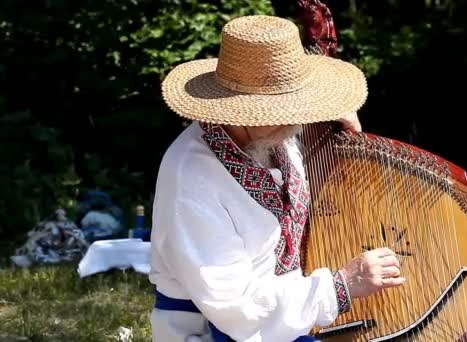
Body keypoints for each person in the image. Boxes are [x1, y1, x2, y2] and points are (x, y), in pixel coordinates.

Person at [149, 14, 405, 342]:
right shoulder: (191, 176)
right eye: (285, 109)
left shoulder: (269, 136)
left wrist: (329, 116)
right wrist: (340, 286)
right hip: (215, 330)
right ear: (240, 111)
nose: (297, 119)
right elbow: (235, 310)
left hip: (283, 322)